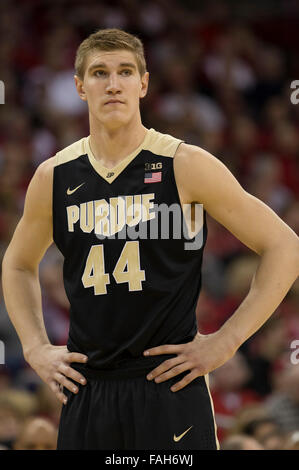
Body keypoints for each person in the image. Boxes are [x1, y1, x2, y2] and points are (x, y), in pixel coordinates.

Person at [2, 28, 299, 451]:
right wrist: (34, 348)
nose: (113, 83)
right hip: (89, 388)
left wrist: (226, 342)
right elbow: (17, 264)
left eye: (125, 71)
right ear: (79, 87)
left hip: (169, 385)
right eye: (99, 73)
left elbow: (285, 246)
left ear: (143, 84)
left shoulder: (185, 163)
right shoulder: (54, 175)